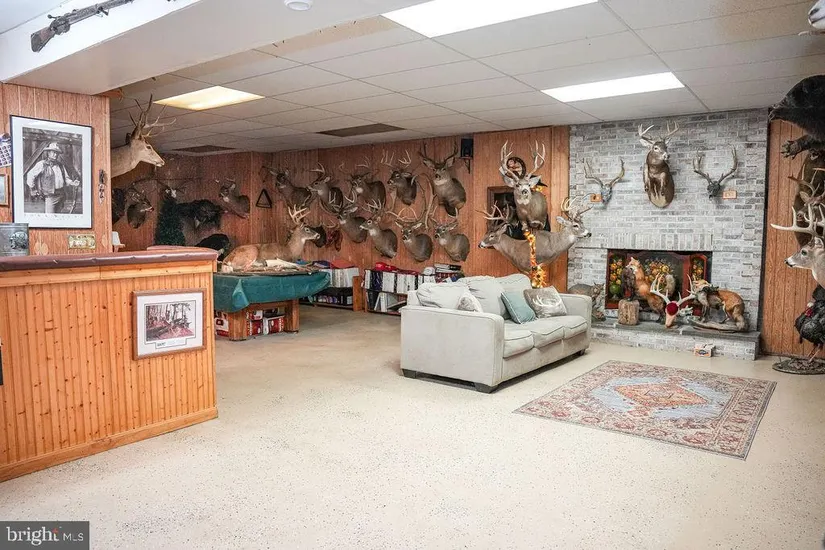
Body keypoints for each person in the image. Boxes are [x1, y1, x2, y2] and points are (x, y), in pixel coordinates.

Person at [25, 142, 80, 214]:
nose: (55, 154)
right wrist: (33, 189)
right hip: (50, 196)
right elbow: (30, 175)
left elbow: (66, 178)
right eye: (53, 152)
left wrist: (72, 183)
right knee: (50, 217)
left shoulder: (60, 165)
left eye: (57, 153)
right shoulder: (42, 164)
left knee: (58, 216)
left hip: (61, 195)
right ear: (48, 153)